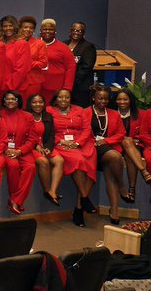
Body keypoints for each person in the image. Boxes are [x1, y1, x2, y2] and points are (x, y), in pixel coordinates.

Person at [48, 89, 96, 227]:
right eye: (60, 97)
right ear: (55, 99)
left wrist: (77, 143)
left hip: (82, 143)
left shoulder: (79, 110)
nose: (63, 100)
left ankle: (79, 208)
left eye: (67, 97)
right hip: (61, 144)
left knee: (89, 169)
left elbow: (87, 129)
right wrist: (60, 141)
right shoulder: (49, 111)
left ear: (71, 99)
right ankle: (84, 198)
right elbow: (46, 130)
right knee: (79, 161)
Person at [88, 86, 126, 224]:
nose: (103, 101)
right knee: (115, 156)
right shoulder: (85, 112)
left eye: (106, 99)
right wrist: (93, 142)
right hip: (90, 149)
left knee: (111, 175)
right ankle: (122, 185)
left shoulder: (114, 114)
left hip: (107, 147)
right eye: (100, 98)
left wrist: (106, 141)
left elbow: (121, 133)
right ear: (93, 98)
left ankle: (114, 210)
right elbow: (82, 131)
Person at [0, 91, 38, 215]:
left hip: (23, 150)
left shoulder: (28, 116)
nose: (10, 101)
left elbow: (32, 139)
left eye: (13, 99)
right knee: (13, 165)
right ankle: (16, 201)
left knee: (31, 167)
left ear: (18, 101)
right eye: (7, 99)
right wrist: (6, 149)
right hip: (5, 150)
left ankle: (15, 200)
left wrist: (20, 151)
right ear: (4, 101)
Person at [114, 89, 145, 204]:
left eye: (125, 99)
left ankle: (132, 188)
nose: (122, 102)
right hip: (116, 145)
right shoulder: (111, 113)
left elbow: (145, 132)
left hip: (135, 145)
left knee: (129, 155)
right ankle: (143, 172)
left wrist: (136, 138)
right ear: (115, 101)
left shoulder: (141, 114)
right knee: (126, 143)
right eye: (119, 99)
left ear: (130, 100)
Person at [39, 19, 76, 105]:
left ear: (55, 31)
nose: (47, 31)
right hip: (37, 86)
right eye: (45, 29)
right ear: (40, 31)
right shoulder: (33, 45)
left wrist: (67, 88)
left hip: (56, 89)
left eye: (51, 29)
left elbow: (71, 67)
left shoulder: (63, 47)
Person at [68, 22, 98, 107]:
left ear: (83, 33)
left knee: (80, 109)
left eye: (79, 31)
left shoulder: (88, 46)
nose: (76, 32)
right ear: (70, 31)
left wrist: (73, 80)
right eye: (74, 30)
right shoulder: (64, 44)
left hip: (81, 85)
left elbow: (87, 67)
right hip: (67, 84)